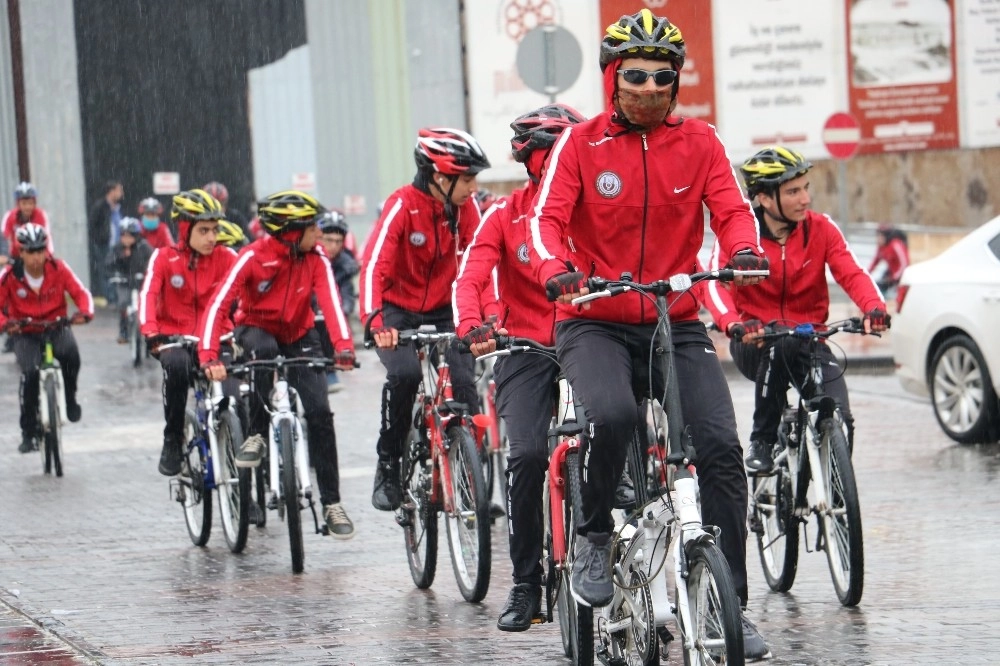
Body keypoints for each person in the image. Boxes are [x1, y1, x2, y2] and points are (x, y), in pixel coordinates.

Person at [526, 9, 771, 658]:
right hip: (595, 319)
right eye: (635, 73)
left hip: (673, 320)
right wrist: (556, 269)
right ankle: (593, 534)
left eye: (664, 75)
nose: (651, 86)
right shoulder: (580, 146)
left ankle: (730, 605)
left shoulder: (702, 143)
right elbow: (545, 221)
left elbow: (733, 212)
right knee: (610, 414)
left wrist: (743, 250)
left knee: (720, 449)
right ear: (611, 78)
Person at [454, 103, 585, 631]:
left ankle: (640, 584)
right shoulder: (503, 215)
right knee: (527, 455)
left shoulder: (596, 213)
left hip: (589, 339)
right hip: (525, 347)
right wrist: (473, 325)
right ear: (530, 160)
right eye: (553, 154)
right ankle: (527, 583)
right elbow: (470, 277)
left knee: (626, 440)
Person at [713, 146, 890, 477]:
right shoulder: (741, 237)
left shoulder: (821, 229)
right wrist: (734, 323)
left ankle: (825, 494)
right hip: (756, 340)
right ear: (764, 198)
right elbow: (715, 285)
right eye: (793, 191)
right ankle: (762, 442)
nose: (805, 198)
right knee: (781, 346)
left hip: (810, 339)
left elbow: (852, 273)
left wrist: (873, 308)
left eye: (806, 188)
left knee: (838, 416)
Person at [199, 190, 358, 539]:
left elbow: (330, 302)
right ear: (289, 231)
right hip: (256, 327)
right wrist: (209, 355)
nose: (319, 235)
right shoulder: (252, 257)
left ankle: (331, 503)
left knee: (319, 411)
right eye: (311, 228)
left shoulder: (315, 258)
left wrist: (344, 346)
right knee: (263, 351)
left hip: (300, 333)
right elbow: (217, 304)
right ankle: (255, 433)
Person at [361, 127, 490, 512]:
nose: (472, 188)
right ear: (439, 177)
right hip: (397, 313)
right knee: (405, 376)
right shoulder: (402, 204)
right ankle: (389, 463)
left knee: (466, 384)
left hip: (446, 309)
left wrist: (486, 316)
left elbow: (481, 262)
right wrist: (374, 320)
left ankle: (471, 476)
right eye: (466, 179)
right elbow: (373, 264)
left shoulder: (467, 210)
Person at [139, 189, 238, 477]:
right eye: (204, 230)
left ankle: (244, 487)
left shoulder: (227, 257)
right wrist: (152, 332)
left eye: (215, 230)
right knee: (177, 367)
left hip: (218, 341)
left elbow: (245, 299)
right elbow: (148, 296)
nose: (212, 237)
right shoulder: (163, 258)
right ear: (185, 228)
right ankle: (173, 439)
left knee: (237, 399)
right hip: (176, 340)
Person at [0, 223, 92, 452]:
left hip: (55, 326)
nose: (36, 257)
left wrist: (85, 313)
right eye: (30, 251)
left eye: (40, 250)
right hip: (25, 332)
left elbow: (81, 293)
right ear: (20, 252)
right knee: (29, 374)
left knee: (71, 355)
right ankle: (28, 431)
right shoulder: (9, 276)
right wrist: (6, 324)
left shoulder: (58, 268)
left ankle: (70, 397)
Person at [315, 209, 359, 393]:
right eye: (328, 240)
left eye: (338, 242)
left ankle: (329, 369)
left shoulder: (344, 266)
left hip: (326, 319)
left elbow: (347, 293)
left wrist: (343, 309)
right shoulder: (307, 259)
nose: (333, 246)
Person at [106, 217, 153, 343]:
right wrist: (120, 260)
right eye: (124, 235)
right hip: (124, 281)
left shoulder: (144, 247)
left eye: (130, 236)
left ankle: (151, 330)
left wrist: (146, 274)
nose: (126, 239)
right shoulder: (117, 248)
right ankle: (124, 332)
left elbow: (153, 261)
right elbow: (108, 264)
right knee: (123, 303)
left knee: (148, 305)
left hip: (140, 281)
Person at [87, 180, 125, 305]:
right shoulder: (100, 206)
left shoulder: (117, 208)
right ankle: (110, 299)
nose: (121, 194)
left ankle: (117, 297)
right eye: (119, 190)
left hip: (117, 246)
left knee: (117, 271)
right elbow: (93, 226)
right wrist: (100, 240)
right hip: (104, 245)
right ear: (112, 191)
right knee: (105, 271)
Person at [2, 182, 54, 260]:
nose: (27, 207)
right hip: (16, 257)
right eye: (24, 203)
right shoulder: (9, 216)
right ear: (18, 204)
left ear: (35, 203)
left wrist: (49, 256)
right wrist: (4, 255)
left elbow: (47, 237)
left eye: (30, 203)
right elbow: (3, 237)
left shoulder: (41, 215)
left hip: (37, 257)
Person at [867, 223, 910, 296]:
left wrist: (894, 278)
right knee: (878, 286)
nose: (878, 239)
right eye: (877, 236)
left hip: (901, 275)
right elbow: (875, 261)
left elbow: (904, 264)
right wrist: (866, 274)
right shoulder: (881, 247)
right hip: (891, 273)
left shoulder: (895, 245)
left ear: (886, 236)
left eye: (880, 236)